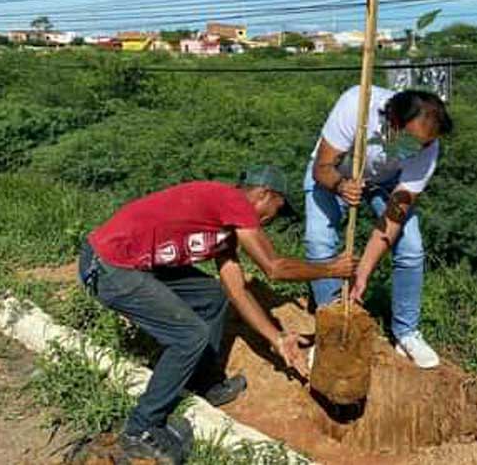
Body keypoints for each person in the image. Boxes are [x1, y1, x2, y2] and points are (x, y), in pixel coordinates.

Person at [78, 166, 356, 464]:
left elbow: (236, 290)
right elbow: (274, 268)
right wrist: (331, 269)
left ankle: (202, 382)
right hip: (109, 266)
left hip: (135, 264)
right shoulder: (233, 202)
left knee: (214, 297)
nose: (271, 220)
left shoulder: (226, 227)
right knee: (189, 336)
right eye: (276, 209)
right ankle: (139, 430)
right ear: (264, 195)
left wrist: (277, 338)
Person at [305, 87, 453, 369]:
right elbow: (321, 167)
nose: (421, 149)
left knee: (410, 247)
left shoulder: (428, 147)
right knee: (319, 241)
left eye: (426, 144)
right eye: (415, 141)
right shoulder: (355, 106)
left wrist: (362, 273)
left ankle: (406, 333)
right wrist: (340, 185)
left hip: (385, 181)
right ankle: (331, 327)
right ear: (393, 124)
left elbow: (394, 217)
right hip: (335, 172)